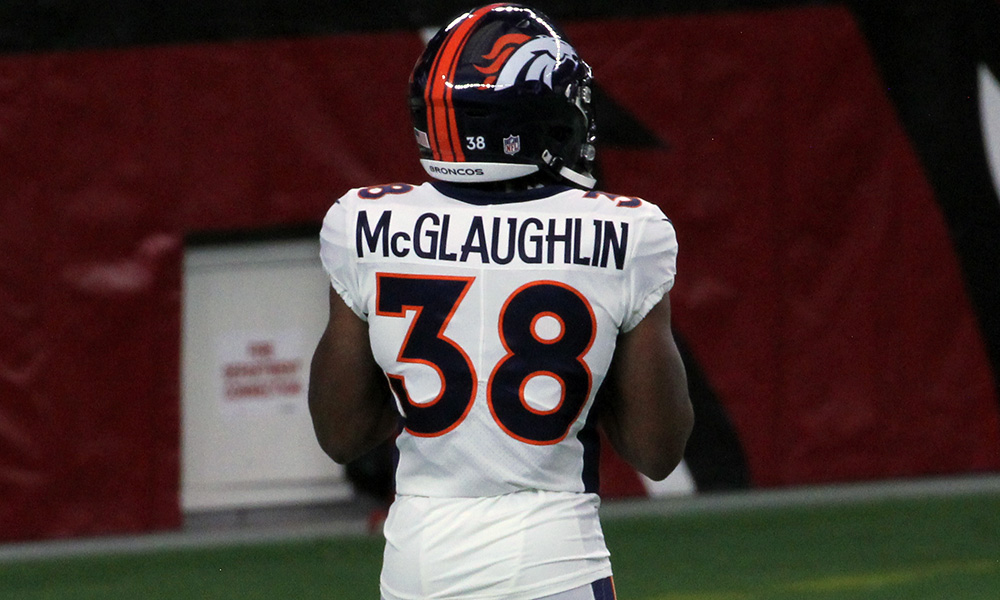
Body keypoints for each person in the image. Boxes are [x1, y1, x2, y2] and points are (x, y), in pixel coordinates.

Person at [308, 4, 693, 598]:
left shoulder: (362, 223)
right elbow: (656, 450)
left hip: (416, 560)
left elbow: (341, 434)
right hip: (552, 559)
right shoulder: (628, 233)